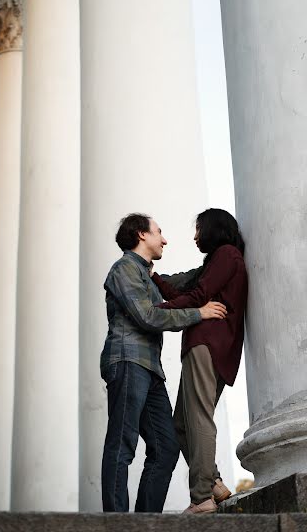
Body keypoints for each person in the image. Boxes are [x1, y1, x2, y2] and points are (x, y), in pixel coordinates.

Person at [100, 213, 227, 512]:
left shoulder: (148, 276)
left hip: (150, 370)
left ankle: (147, 521)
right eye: (159, 232)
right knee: (123, 442)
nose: (165, 239)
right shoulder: (123, 270)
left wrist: (220, 260)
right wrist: (199, 313)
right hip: (128, 361)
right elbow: (149, 316)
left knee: (167, 447)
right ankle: (116, 522)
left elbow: (185, 282)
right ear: (141, 235)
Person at [152, 208, 248, 514]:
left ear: (214, 229)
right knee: (180, 423)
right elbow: (190, 289)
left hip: (208, 343)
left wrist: (161, 309)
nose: (195, 236)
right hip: (206, 344)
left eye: (198, 229)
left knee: (197, 418)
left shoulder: (228, 255)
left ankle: (202, 497)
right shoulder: (215, 261)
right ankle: (215, 483)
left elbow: (199, 295)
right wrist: (153, 278)